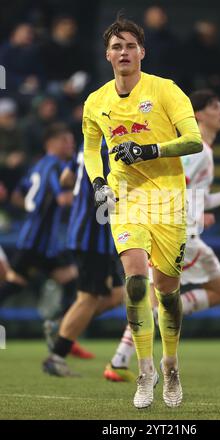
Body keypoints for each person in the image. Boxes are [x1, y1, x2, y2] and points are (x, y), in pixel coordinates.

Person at [83, 15, 202, 408]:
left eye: (130, 46)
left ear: (142, 52)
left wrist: (151, 150)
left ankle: (170, 365)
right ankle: (145, 369)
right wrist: (99, 182)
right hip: (125, 197)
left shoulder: (166, 90)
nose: (123, 53)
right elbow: (90, 149)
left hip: (168, 198)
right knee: (135, 278)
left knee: (167, 292)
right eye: (117, 47)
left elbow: (194, 141)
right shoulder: (96, 101)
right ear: (107, 54)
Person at [105, 89, 220, 380]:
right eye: (215, 106)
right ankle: (122, 359)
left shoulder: (200, 152)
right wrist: (193, 214)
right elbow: (174, 187)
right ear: (198, 115)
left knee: (156, 296)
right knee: (217, 290)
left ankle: (120, 360)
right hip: (178, 232)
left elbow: (192, 194)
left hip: (173, 227)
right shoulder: (197, 151)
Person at [43, 141, 128, 377]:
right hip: (93, 237)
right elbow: (111, 198)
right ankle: (57, 355)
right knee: (88, 297)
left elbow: (66, 179)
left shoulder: (88, 144)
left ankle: (62, 325)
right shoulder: (111, 148)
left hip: (88, 234)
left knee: (115, 295)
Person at [0, 123, 78, 339]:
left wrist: (34, 210)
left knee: (69, 281)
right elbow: (63, 198)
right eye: (66, 141)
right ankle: (58, 327)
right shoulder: (55, 167)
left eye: (71, 141)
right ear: (50, 143)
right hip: (39, 243)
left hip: (36, 240)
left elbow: (17, 196)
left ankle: (60, 328)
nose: (70, 145)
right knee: (14, 285)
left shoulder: (37, 166)